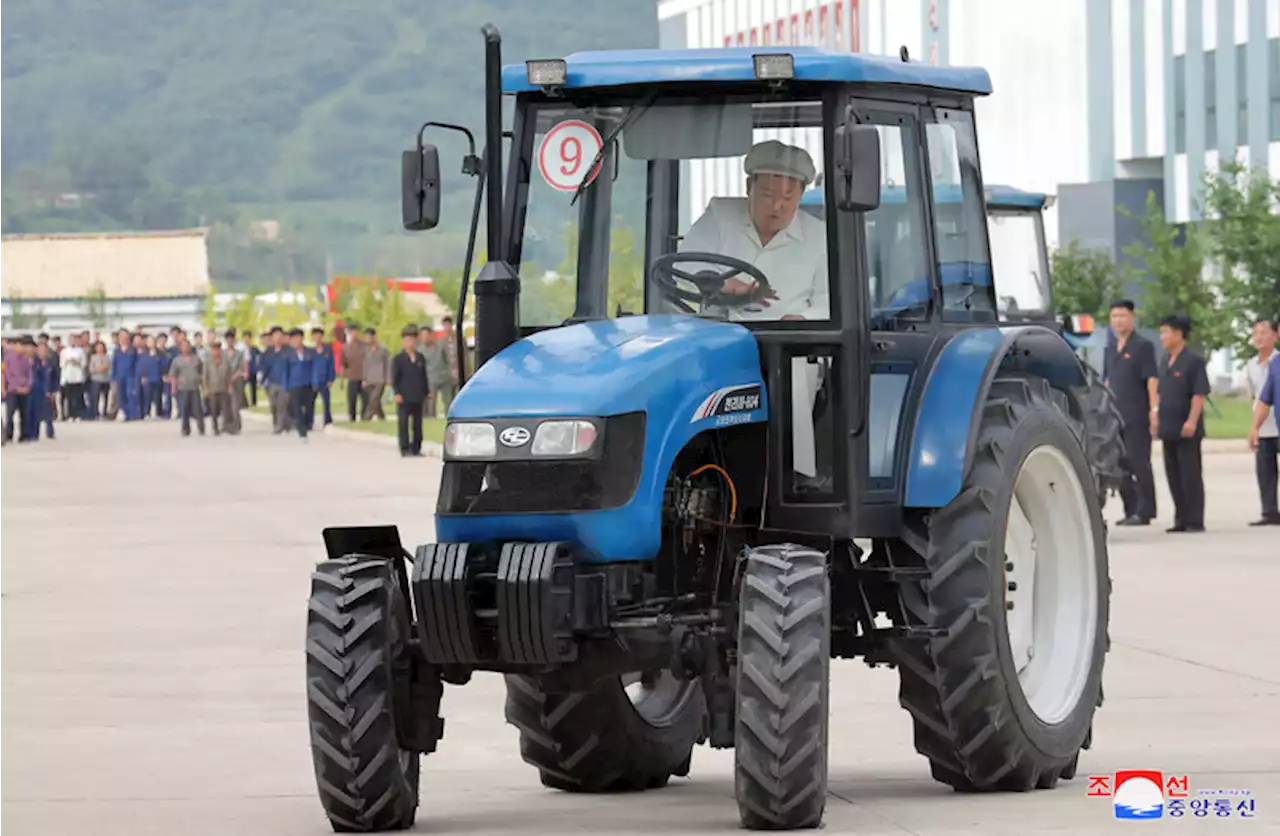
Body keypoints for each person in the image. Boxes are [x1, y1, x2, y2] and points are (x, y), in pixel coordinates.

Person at [678, 140, 828, 322]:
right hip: (722, 333)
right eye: (767, 194)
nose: (776, 206)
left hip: (789, 342)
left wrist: (802, 319)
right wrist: (722, 284)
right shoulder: (721, 215)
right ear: (749, 187)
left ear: (800, 195)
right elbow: (684, 265)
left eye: (787, 197)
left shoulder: (819, 235)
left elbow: (828, 302)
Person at [1102, 300, 1160, 525]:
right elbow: (1106, 380)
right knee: (1119, 464)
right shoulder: (1110, 348)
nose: (1118, 320)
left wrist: (1154, 409)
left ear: (1132, 318)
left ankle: (1146, 510)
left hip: (1137, 413)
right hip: (1115, 415)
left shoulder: (1143, 346)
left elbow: (1151, 379)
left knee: (1139, 462)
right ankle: (1130, 508)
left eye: (1122, 316)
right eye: (1114, 316)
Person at [1156, 315, 1211, 533]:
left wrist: (1192, 421)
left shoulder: (1193, 361)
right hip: (1168, 426)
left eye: (1165, 332)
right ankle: (1180, 517)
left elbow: (1199, 394)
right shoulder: (1164, 360)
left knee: (1190, 474)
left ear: (1179, 334)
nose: (1162, 337)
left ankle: (1195, 519)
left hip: (1186, 427)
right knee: (1173, 475)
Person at [1244, 317, 1279, 525]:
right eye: (1256, 333)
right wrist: (1254, 426)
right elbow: (1255, 397)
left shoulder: (1278, 361)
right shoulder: (1250, 366)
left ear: (1275, 335)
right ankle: (1269, 511)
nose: (1259, 337)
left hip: (1278, 422)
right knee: (1265, 472)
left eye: (1264, 332)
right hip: (1263, 426)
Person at [392, 324, 430, 457]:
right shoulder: (398, 359)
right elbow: (395, 378)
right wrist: (396, 393)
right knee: (403, 423)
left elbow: (423, 376)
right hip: (404, 395)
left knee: (417, 424)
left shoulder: (420, 358)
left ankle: (416, 448)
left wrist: (427, 391)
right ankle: (404, 448)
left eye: (413, 340)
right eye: (407, 340)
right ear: (403, 341)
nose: (410, 343)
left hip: (417, 395)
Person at [169, 337, 206, 437]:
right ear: (180, 348)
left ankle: (201, 428)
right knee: (184, 409)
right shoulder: (177, 360)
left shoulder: (196, 359)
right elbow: (173, 375)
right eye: (183, 346)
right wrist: (173, 388)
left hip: (194, 387)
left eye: (187, 346)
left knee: (198, 409)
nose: (186, 348)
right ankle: (185, 429)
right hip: (183, 388)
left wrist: (204, 387)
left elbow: (202, 373)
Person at [285, 328, 317, 440]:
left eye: (298, 338)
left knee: (309, 407)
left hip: (308, 384)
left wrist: (315, 381)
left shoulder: (310, 352)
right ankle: (301, 430)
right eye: (293, 339)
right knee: (296, 408)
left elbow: (314, 368)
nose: (296, 341)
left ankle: (307, 424)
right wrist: (286, 385)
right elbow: (286, 371)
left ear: (302, 338)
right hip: (294, 384)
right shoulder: (289, 354)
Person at [3, 336, 34, 442]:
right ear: (15, 346)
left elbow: (30, 374)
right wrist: (16, 387)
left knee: (24, 414)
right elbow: (7, 375)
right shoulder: (8, 358)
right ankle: (8, 434)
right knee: (10, 414)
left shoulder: (26, 359)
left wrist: (27, 386)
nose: (23, 348)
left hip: (24, 390)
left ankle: (24, 435)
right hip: (12, 390)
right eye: (21, 345)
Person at [202, 341, 236, 435]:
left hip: (223, 388)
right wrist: (206, 389)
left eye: (218, 349)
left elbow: (229, 374)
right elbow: (205, 376)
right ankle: (215, 428)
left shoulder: (226, 361)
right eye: (214, 350)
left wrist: (230, 385)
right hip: (212, 389)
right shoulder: (208, 362)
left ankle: (227, 427)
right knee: (214, 410)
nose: (216, 352)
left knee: (225, 409)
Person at [265, 326, 292, 434]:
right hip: (271, 382)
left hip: (284, 383)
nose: (278, 338)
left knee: (282, 405)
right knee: (273, 405)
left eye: (280, 335)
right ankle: (279, 423)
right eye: (275, 335)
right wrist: (263, 382)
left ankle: (279, 426)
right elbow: (264, 367)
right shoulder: (268, 352)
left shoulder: (288, 351)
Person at [361, 327, 390, 421]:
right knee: (376, 401)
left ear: (374, 337)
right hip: (369, 378)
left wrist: (388, 378)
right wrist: (364, 378)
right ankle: (382, 417)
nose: (366, 339)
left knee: (374, 398)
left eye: (368, 337)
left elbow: (388, 364)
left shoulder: (383, 349)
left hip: (380, 378)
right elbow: (365, 364)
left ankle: (367, 417)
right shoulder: (365, 349)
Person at [30, 341, 57, 440]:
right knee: (36, 413)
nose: (43, 353)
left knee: (49, 413)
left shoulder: (51, 362)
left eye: (45, 351)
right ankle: (34, 434)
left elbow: (55, 376)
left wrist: (53, 390)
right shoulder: (34, 362)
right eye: (41, 350)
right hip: (36, 390)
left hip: (48, 390)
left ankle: (50, 432)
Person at [341, 324, 367, 421]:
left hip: (364, 377)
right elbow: (343, 364)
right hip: (352, 377)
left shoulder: (364, 346)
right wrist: (342, 379)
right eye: (352, 332)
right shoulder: (345, 348)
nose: (354, 334)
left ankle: (365, 417)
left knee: (366, 399)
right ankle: (352, 417)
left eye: (356, 332)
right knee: (352, 399)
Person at [311, 326, 335, 428]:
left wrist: (331, 378)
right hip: (313, 380)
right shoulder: (310, 351)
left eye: (319, 336)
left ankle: (327, 421)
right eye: (315, 336)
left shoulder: (328, 350)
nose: (317, 338)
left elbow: (331, 365)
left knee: (326, 401)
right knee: (310, 402)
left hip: (324, 379)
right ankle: (309, 422)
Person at [59, 333, 87, 422]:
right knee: (69, 398)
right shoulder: (64, 351)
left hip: (78, 377)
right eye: (70, 340)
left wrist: (77, 362)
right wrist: (68, 361)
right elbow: (61, 364)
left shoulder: (81, 351)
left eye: (73, 340)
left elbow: (84, 363)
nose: (72, 342)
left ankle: (78, 415)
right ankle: (70, 415)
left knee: (78, 397)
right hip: (68, 377)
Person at [424, 329, 451, 418]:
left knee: (448, 399)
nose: (425, 338)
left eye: (426, 336)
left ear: (431, 335)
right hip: (430, 377)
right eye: (423, 336)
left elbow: (447, 359)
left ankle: (449, 415)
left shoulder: (440, 345)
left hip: (443, 376)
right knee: (431, 401)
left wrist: (448, 370)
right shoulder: (420, 349)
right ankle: (431, 416)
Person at [222, 328, 244, 435]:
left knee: (235, 405)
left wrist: (232, 378)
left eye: (232, 339)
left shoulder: (239, 354)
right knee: (225, 405)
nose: (230, 342)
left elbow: (241, 369)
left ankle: (236, 425)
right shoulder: (222, 354)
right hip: (224, 383)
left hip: (236, 382)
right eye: (228, 340)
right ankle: (226, 425)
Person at [437, 317, 462, 411]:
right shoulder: (440, 342)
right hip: (447, 372)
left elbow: (465, 356)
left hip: (459, 370)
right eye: (445, 325)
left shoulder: (459, 338)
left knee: (459, 394)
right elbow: (440, 359)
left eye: (448, 325)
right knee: (448, 397)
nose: (447, 327)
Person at [136, 336, 163, 419]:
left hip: (158, 377)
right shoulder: (143, 354)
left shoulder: (159, 353)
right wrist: (142, 376)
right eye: (149, 341)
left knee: (157, 396)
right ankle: (146, 412)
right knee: (147, 396)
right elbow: (140, 366)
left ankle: (158, 413)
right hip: (147, 378)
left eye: (152, 341)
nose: (151, 343)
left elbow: (164, 364)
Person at [87, 341, 111, 420]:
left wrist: (104, 368)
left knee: (106, 397)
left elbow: (109, 366)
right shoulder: (93, 357)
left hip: (105, 379)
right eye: (98, 347)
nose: (100, 348)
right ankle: (95, 413)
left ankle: (104, 413)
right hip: (96, 379)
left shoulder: (107, 356)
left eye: (101, 347)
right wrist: (99, 369)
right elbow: (91, 369)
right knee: (95, 397)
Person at [155, 332, 174, 418]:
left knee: (168, 395)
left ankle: (167, 412)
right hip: (157, 375)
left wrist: (169, 376)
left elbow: (172, 364)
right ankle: (159, 412)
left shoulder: (169, 352)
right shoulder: (155, 352)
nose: (162, 342)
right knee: (157, 395)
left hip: (168, 376)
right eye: (160, 340)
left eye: (164, 340)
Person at [243, 329, 261, 407]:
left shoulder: (254, 348)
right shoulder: (242, 349)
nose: (246, 339)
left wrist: (257, 367)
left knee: (253, 387)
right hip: (244, 370)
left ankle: (254, 402)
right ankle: (244, 401)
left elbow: (259, 357)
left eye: (248, 337)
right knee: (242, 386)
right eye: (245, 337)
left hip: (253, 369)